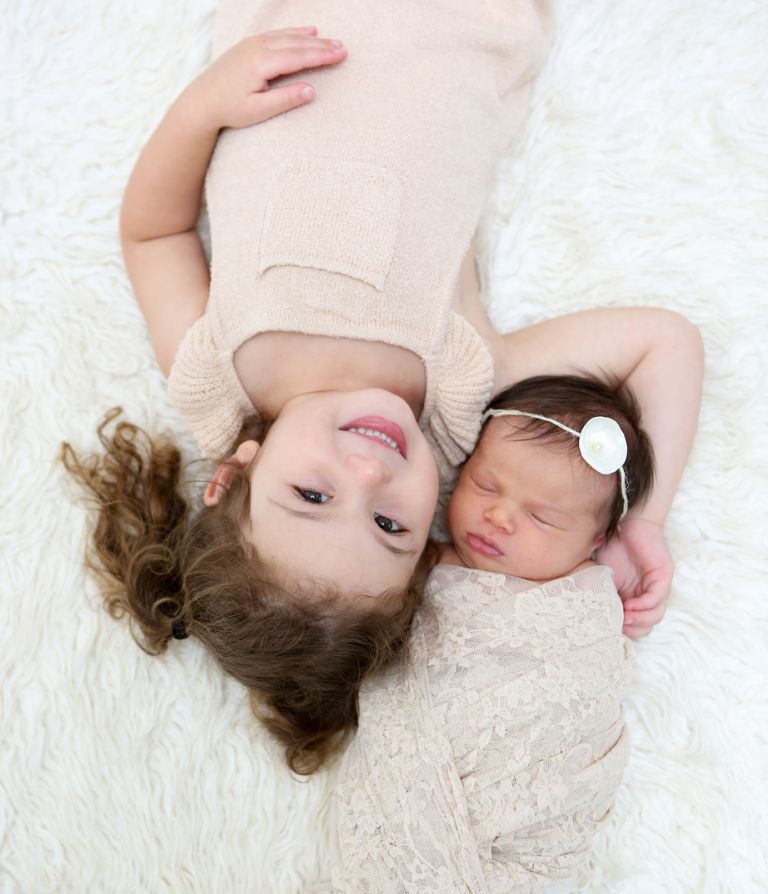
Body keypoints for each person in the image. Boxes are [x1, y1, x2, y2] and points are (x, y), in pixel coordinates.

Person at [63, 1, 704, 776]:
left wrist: (204, 106)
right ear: (430, 548)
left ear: (237, 472)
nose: (367, 475)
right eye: (391, 526)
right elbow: (664, 343)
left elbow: (152, 232)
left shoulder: (213, 377)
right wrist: (644, 514)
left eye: (311, 495)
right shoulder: (463, 393)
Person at [442, 373, 655, 582]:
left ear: (596, 542)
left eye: (539, 517)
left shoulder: (583, 592)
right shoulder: (421, 554)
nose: (498, 517)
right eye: (485, 486)